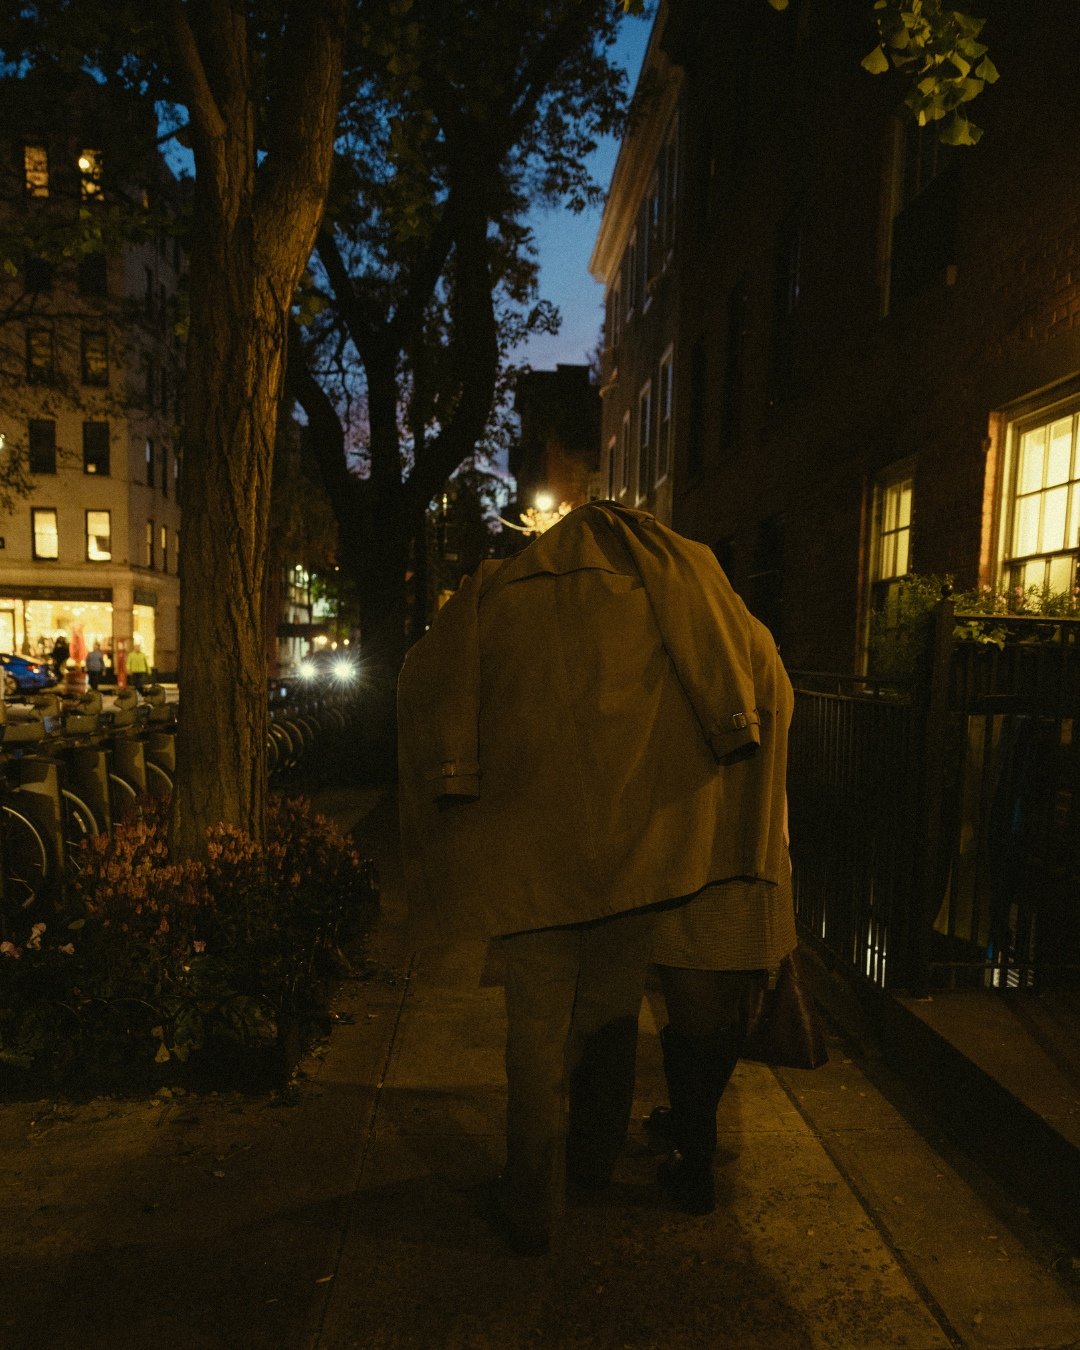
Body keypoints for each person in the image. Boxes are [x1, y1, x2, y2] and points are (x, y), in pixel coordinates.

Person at [397, 502, 790, 1256]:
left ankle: (532, 1204)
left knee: (535, 1033)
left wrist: (456, 778)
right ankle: (593, 1162)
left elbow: (424, 678)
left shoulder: (496, 595)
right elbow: (757, 672)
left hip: (529, 852)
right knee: (610, 1017)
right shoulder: (675, 593)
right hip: (638, 852)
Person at [645, 621, 797, 1218]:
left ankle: (694, 1155)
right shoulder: (763, 649)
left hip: (699, 856)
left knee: (692, 1019)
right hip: (759, 852)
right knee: (728, 1016)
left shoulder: (685, 658)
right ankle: (691, 1129)